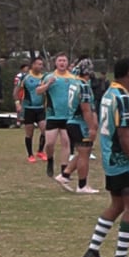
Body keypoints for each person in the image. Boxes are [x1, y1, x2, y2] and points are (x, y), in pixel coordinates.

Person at [84, 57, 129, 257]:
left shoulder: (109, 93)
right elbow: (124, 133)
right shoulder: (123, 98)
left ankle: (93, 249)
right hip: (122, 160)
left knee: (117, 204)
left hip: (110, 158)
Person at [36, 54, 82, 185]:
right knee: (49, 143)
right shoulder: (49, 77)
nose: (62, 63)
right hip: (53, 115)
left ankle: (64, 170)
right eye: (60, 60)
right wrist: (48, 84)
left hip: (68, 116)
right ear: (55, 63)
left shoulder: (73, 78)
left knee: (66, 143)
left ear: (67, 63)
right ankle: (50, 160)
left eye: (64, 60)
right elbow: (38, 91)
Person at [62, 60, 99, 193]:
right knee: (85, 154)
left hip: (72, 121)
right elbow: (85, 109)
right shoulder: (83, 86)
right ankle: (82, 185)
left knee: (84, 152)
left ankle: (65, 174)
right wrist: (92, 127)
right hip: (79, 123)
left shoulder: (74, 83)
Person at [15, 57, 45, 161]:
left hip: (41, 108)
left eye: (41, 64)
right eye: (38, 64)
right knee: (29, 133)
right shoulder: (25, 77)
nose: (40, 66)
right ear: (33, 65)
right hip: (28, 108)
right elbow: (16, 91)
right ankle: (30, 155)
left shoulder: (44, 77)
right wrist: (17, 103)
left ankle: (40, 151)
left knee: (44, 130)